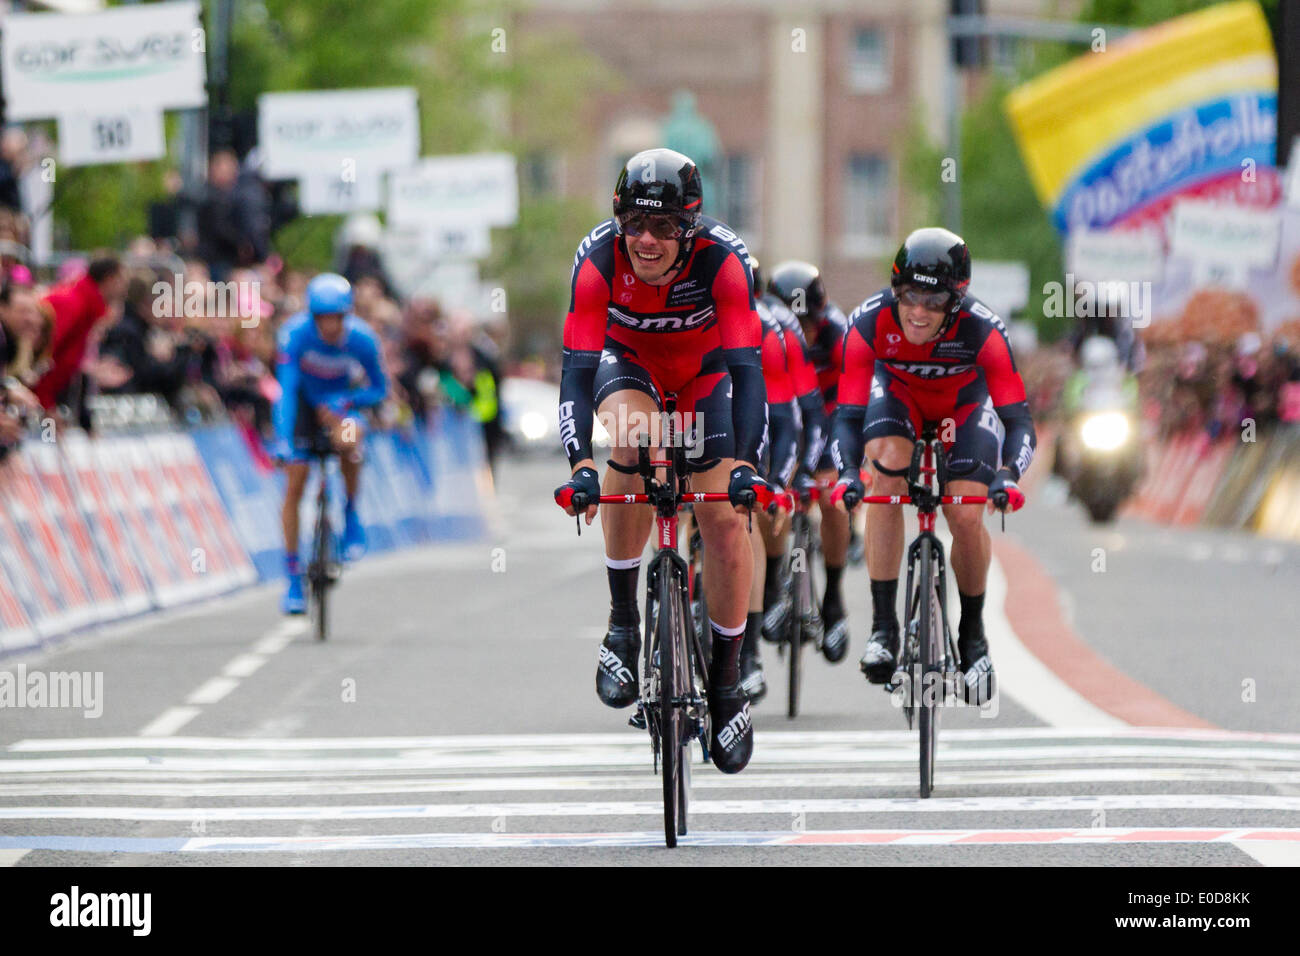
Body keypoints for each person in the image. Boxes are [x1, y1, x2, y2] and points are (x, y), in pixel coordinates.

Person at [553, 148, 770, 774]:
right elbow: (576, 371)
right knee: (630, 430)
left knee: (725, 519)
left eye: (666, 227)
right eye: (636, 226)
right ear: (620, 222)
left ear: (690, 229)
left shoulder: (725, 263)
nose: (647, 240)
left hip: (705, 375)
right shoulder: (597, 260)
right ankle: (623, 623)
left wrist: (746, 466)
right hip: (629, 364)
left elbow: (747, 373)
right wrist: (578, 466)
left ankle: (727, 684)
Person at [830, 227, 1035, 704]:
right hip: (897, 399)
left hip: (963, 408)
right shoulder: (867, 322)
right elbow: (847, 417)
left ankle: (973, 634)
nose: (919, 313)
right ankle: (884, 628)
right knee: (886, 465)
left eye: (935, 301)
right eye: (909, 297)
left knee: (965, 514)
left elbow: (1020, 422)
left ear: (956, 302)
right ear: (895, 289)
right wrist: (845, 473)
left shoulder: (984, 331)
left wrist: (1008, 475)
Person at [272, 273, 388, 615]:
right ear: (312, 317)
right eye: (322, 318)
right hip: (304, 411)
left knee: (351, 437)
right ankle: (292, 578)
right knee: (295, 482)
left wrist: (344, 401)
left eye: (337, 317)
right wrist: (283, 440)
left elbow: (379, 389)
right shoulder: (293, 336)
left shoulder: (364, 340)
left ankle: (351, 514)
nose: (330, 326)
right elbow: (287, 392)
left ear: (347, 315)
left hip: (343, 409)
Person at [765, 260, 853, 663]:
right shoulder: (763, 332)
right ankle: (771, 579)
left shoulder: (839, 336)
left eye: (809, 325)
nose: (802, 334)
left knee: (831, 494)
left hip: (831, 412)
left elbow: (855, 402)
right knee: (770, 488)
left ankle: (833, 597)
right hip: (784, 411)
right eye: (793, 325)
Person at [33, 255, 127, 414]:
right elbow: (43, 356)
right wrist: (45, 405)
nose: (124, 287)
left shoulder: (86, 307)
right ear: (110, 279)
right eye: (122, 279)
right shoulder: (74, 303)